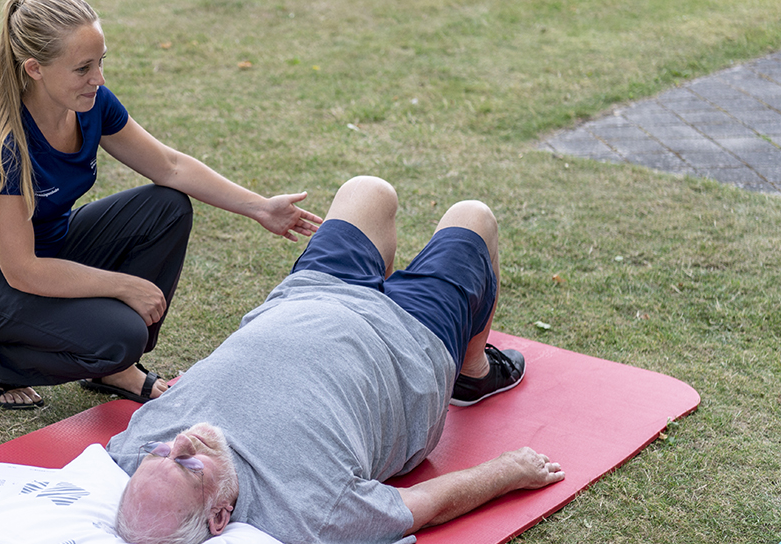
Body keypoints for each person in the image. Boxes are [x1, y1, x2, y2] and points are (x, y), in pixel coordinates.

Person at [105, 176, 566, 544]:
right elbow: (423, 505)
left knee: (368, 192)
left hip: (311, 294)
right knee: (474, 217)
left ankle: (385, 284)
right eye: (188, 467)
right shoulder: (308, 516)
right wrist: (508, 472)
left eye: (163, 453)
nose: (181, 443)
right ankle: (472, 372)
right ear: (221, 516)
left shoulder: (136, 451)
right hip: (410, 348)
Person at [0, 0, 322, 409]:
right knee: (122, 336)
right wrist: (123, 286)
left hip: (46, 249)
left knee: (167, 207)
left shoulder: (91, 104)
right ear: (35, 69)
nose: (98, 78)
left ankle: (113, 366)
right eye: (83, 68)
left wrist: (260, 207)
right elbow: (23, 270)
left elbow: (169, 166)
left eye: (100, 62)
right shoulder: (5, 144)